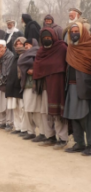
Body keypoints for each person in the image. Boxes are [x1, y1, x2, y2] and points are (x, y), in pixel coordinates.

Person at [33, 28, 68, 149]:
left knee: (57, 113)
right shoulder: (41, 51)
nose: (47, 40)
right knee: (45, 113)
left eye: (49, 38)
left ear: (53, 37)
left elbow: (65, 66)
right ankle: (50, 137)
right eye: (44, 39)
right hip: (43, 86)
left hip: (57, 85)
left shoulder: (61, 48)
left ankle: (62, 139)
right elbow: (37, 67)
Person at [64, 22, 91, 155]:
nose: (74, 33)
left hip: (86, 87)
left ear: (83, 32)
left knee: (87, 117)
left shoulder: (89, 47)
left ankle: (90, 145)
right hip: (71, 86)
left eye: (77, 31)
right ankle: (79, 143)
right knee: (73, 116)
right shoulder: (70, 48)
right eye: (72, 31)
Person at [18, 38, 46, 142]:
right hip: (26, 85)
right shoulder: (23, 56)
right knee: (27, 110)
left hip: (36, 86)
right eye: (25, 45)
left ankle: (43, 133)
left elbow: (43, 68)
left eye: (29, 44)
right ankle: (30, 132)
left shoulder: (39, 55)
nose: (26, 46)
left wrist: (34, 71)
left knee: (37, 111)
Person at [5, 37, 26, 133]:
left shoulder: (26, 55)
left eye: (20, 44)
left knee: (22, 109)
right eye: (17, 44)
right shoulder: (14, 56)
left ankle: (24, 128)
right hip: (13, 86)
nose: (18, 46)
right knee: (15, 109)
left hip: (21, 86)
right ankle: (17, 127)